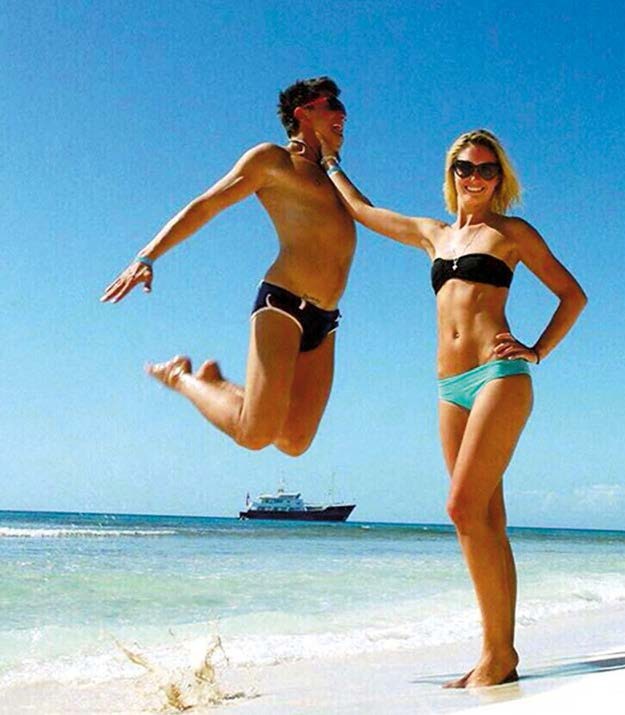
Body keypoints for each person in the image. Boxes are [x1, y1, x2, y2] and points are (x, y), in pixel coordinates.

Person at [315, 128, 587, 687]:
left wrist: (537, 349)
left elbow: (572, 294)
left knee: (462, 508)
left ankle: (498, 655)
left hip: (499, 376)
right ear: (452, 174)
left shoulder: (511, 233)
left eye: (487, 169)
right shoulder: (433, 235)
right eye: (466, 167)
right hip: (450, 389)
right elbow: (364, 211)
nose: (476, 178)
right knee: (485, 520)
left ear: (499, 177)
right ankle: (499, 652)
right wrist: (331, 163)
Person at [100, 77, 354, 456]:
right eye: (332, 104)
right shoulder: (274, 160)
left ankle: (214, 382)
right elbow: (207, 204)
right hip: (284, 303)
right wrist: (146, 256)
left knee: (294, 441)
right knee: (254, 434)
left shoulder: (334, 176)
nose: (343, 114)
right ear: (302, 113)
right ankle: (180, 376)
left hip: (326, 318)